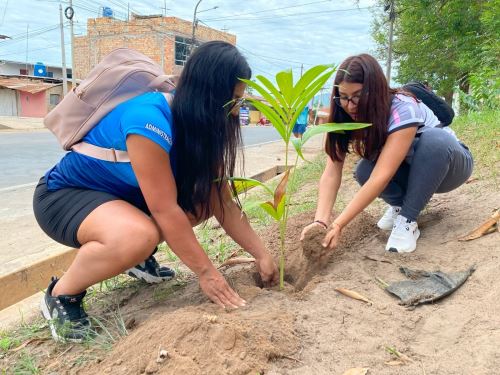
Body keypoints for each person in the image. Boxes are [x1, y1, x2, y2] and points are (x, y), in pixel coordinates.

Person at [33, 41, 279, 342]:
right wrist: (206, 273)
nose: (237, 110)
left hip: (120, 199)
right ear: (209, 95)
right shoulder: (149, 119)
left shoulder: (201, 126)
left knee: (202, 203)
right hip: (66, 196)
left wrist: (262, 255)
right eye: (233, 101)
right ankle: (62, 295)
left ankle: (136, 258)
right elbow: (164, 209)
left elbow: (222, 203)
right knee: (138, 236)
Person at [300, 53, 473, 254]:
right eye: (344, 97)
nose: (350, 105)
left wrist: (338, 224)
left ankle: (408, 219)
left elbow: (383, 175)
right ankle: (401, 207)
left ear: (375, 91)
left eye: (357, 96)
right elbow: (331, 172)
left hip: (450, 166)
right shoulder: (343, 115)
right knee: (364, 170)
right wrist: (321, 222)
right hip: (412, 170)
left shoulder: (402, 107)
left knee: (435, 140)